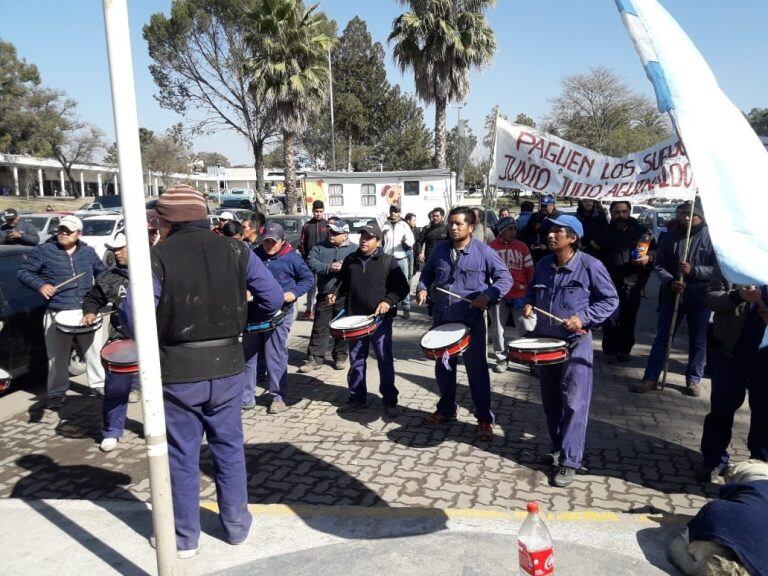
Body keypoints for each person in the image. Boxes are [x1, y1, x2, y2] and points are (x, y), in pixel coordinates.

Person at [121, 185, 283, 557]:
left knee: (182, 455)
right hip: (228, 366)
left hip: (178, 371)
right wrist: (243, 322)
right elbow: (272, 298)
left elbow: (135, 319)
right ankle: (237, 527)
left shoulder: (156, 257)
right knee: (228, 448)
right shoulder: (237, 248)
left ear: (165, 221)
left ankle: (184, 539)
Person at [523, 214, 618, 487]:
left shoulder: (590, 266)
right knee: (551, 401)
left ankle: (569, 461)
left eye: (557, 231)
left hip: (575, 344)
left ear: (573, 238)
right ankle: (557, 448)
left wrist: (584, 317)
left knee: (575, 403)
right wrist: (529, 303)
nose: (550, 235)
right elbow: (532, 292)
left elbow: (610, 299)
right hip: (546, 344)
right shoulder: (542, 264)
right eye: (549, 230)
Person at [416, 207, 513, 439]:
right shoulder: (439, 250)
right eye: (451, 223)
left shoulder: (484, 252)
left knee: (477, 371)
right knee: (444, 367)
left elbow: (504, 278)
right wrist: (421, 289)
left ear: (471, 228)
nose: (453, 227)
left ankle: (483, 419)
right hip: (442, 318)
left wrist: (488, 295)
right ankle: (446, 410)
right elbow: (426, 274)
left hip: (471, 321)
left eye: (459, 224)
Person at [17, 215, 108, 408]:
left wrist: (98, 293)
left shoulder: (88, 252)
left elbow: (102, 272)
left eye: (69, 231)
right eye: (61, 230)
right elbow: (24, 272)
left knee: (93, 352)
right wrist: (40, 285)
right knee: (57, 356)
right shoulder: (43, 251)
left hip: (86, 311)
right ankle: (57, 392)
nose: (64, 234)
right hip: (56, 311)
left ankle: (99, 385)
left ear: (79, 234)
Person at [632, 198, 715, 396]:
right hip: (672, 295)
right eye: (681, 214)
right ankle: (651, 378)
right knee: (662, 338)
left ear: (700, 216)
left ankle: (693, 380)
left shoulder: (712, 238)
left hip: (700, 297)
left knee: (698, 341)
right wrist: (670, 281)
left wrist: (695, 270)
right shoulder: (670, 236)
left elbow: (718, 269)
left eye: (690, 214)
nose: (685, 218)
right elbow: (658, 265)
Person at [327, 222, 410, 416]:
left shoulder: (388, 261)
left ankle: (390, 400)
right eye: (362, 237)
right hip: (355, 319)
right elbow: (342, 283)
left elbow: (402, 288)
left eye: (369, 237)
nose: (364, 241)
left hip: (379, 321)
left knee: (384, 360)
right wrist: (334, 293)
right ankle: (357, 397)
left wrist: (388, 301)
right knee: (356, 360)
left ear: (378, 241)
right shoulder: (351, 259)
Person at [695, 266, 768, 482]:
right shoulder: (734, 260)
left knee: (765, 413)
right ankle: (714, 460)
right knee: (721, 408)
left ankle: (760, 466)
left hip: (765, 357)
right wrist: (738, 296)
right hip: (729, 352)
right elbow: (711, 297)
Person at [243, 222, 313, 413]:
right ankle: (246, 397)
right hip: (255, 311)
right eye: (266, 242)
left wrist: (294, 293)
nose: (270, 245)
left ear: (282, 241)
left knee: (274, 353)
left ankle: (278, 397)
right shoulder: (254, 255)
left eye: (274, 242)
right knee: (249, 354)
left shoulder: (292, 258)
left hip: (282, 311)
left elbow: (308, 279)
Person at [81, 233, 135, 451]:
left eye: (121, 248)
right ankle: (112, 430)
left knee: (168, 388)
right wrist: (90, 311)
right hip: (121, 340)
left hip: (159, 340)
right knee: (115, 389)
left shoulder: (157, 272)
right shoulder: (111, 277)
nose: (116, 253)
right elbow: (93, 298)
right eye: (113, 250)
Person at [591, 201, 655, 362]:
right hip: (608, 282)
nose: (621, 215)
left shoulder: (641, 231)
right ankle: (611, 350)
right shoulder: (603, 231)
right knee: (610, 316)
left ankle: (625, 350)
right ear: (611, 213)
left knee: (628, 317)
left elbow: (656, 251)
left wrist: (649, 258)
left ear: (629, 212)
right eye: (617, 212)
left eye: (624, 212)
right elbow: (593, 254)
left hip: (633, 282)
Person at [301, 218, 358, 373]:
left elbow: (359, 268)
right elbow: (310, 262)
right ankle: (315, 358)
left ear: (345, 235)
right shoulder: (320, 248)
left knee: (342, 327)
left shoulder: (354, 249)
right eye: (330, 231)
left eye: (335, 232)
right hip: (324, 293)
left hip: (345, 295)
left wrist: (344, 268)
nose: (331, 234)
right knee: (320, 327)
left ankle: (340, 356)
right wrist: (328, 267)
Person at [488, 217, 535, 372]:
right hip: (498, 294)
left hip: (520, 293)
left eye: (515, 229)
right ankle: (501, 357)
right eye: (509, 229)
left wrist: (531, 293)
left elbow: (530, 271)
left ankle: (531, 360)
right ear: (501, 231)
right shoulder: (490, 248)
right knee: (497, 328)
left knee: (526, 328)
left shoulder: (522, 247)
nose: (513, 232)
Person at [382, 204, 415, 319]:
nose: (393, 214)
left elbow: (412, 241)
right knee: (387, 282)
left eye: (396, 212)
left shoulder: (404, 225)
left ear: (400, 213)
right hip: (387, 258)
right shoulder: (384, 224)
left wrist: (406, 241)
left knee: (404, 283)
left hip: (401, 257)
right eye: (392, 211)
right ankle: (391, 306)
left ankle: (406, 308)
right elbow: (379, 240)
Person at [298, 200, 329, 320]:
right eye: (316, 211)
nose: (318, 214)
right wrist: (305, 258)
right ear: (313, 211)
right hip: (310, 262)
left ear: (323, 211)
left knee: (323, 286)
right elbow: (302, 244)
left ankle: (320, 309)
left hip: (324, 262)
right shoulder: (307, 226)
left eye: (321, 211)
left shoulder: (327, 225)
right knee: (311, 286)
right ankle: (308, 310)